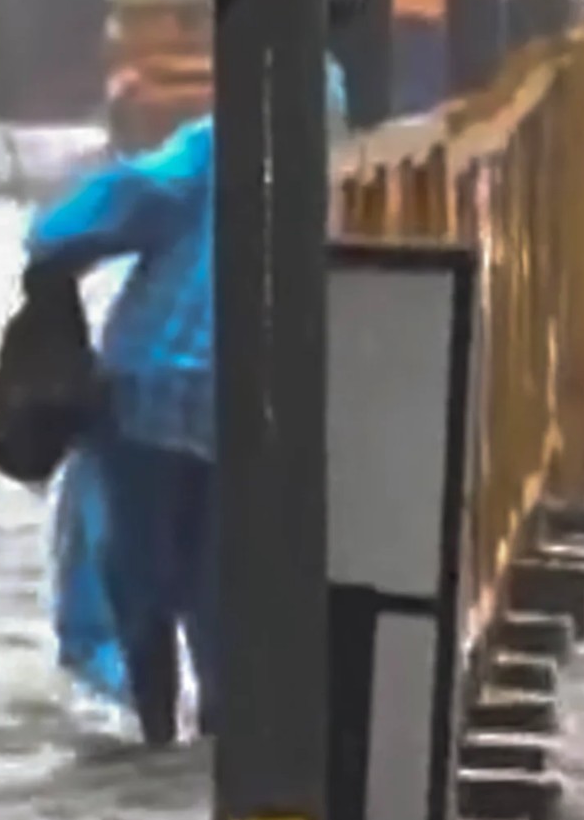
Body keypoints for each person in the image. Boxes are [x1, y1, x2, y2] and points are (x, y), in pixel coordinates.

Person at [23, 63, 349, 745]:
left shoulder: (212, 149)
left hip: (154, 389)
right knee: (223, 587)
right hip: (253, 403)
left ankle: (156, 732)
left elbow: (113, 206)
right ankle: (216, 742)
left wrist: (52, 244)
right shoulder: (340, 172)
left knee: (140, 578)